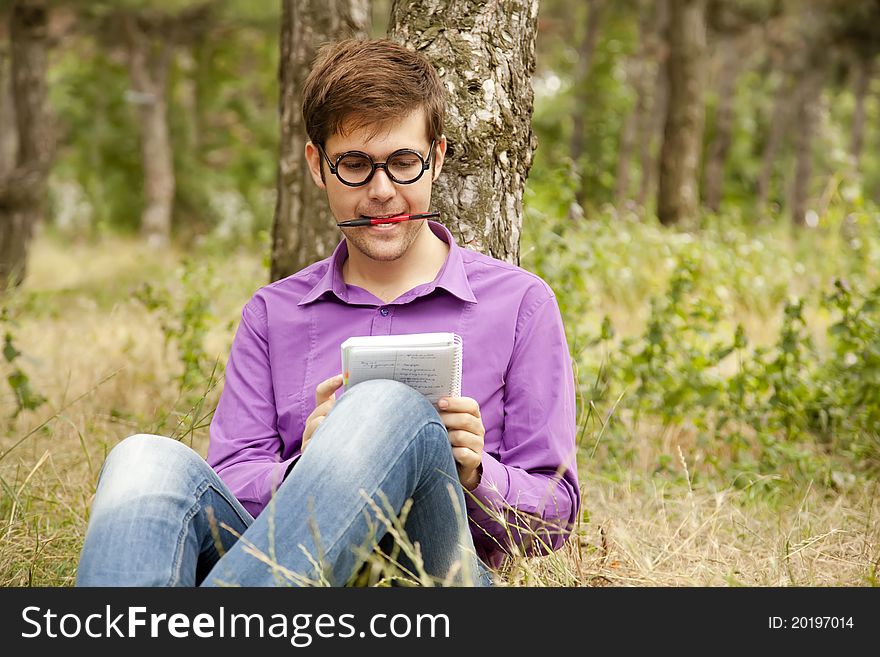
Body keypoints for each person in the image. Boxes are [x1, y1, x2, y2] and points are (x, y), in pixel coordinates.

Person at [76, 38, 579, 588]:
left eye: (403, 163)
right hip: (287, 563)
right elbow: (227, 482)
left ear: (434, 159)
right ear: (318, 166)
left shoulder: (521, 304)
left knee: (387, 405)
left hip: (435, 577)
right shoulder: (273, 314)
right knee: (142, 458)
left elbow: (555, 519)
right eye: (355, 165)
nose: (382, 191)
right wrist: (306, 469)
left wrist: (476, 473)